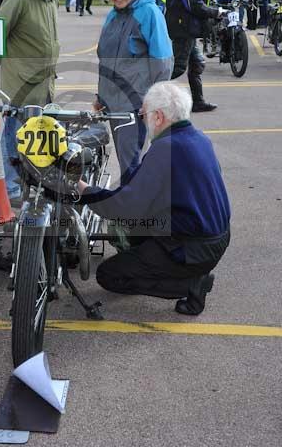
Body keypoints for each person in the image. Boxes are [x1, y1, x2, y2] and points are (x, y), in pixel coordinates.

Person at [78, 81, 231, 315]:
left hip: (192, 248)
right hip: (214, 237)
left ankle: (191, 284)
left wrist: (85, 191)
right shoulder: (199, 139)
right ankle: (176, 269)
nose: (143, 119)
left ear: (158, 116)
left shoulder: (165, 148)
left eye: (143, 114)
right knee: (133, 230)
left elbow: (127, 206)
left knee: (108, 275)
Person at [0, 0, 69, 201]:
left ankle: (30, 181)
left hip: (44, 84)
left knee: (36, 137)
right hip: (20, 84)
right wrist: (7, 67)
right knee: (14, 137)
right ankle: (12, 188)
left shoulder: (52, 0)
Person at [94, 0, 173, 182]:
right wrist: (100, 96)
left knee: (131, 161)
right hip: (113, 103)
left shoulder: (148, 12)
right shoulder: (113, 15)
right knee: (124, 158)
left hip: (135, 104)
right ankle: (133, 203)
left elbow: (163, 61)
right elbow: (105, 59)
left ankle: (134, 210)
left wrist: (153, 101)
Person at [162, 0, 222, 113]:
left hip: (186, 25)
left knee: (197, 64)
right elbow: (193, 4)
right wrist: (215, 12)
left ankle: (198, 101)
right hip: (183, 26)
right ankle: (148, 94)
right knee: (178, 66)